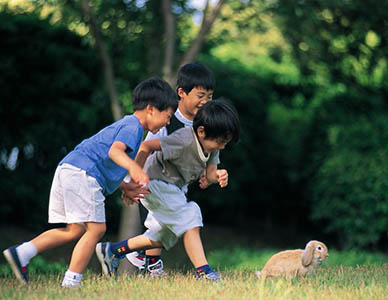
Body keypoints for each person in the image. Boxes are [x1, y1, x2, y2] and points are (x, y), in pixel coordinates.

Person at [2, 77, 178, 287]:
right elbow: (114, 152)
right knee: (96, 230)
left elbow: (106, 162)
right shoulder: (134, 127)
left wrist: (125, 186)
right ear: (151, 109)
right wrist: (134, 168)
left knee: (74, 230)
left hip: (70, 168)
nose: (168, 122)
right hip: (82, 173)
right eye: (167, 116)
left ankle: (22, 252)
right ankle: (71, 282)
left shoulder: (127, 124)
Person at [96, 99, 240, 281]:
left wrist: (217, 175)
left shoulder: (213, 147)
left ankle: (113, 250)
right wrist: (134, 180)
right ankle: (203, 271)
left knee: (164, 235)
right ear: (202, 131)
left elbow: (209, 174)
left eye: (225, 142)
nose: (222, 146)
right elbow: (146, 146)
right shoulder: (183, 140)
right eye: (220, 141)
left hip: (173, 190)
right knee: (191, 214)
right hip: (155, 184)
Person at [120, 63, 215, 277]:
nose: (205, 101)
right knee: (179, 221)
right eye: (201, 95)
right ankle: (199, 270)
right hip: (154, 184)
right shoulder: (167, 122)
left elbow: (199, 156)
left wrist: (208, 175)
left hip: (177, 186)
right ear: (181, 93)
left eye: (209, 96)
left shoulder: (205, 123)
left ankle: (128, 254)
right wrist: (132, 182)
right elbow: (146, 150)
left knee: (162, 231)